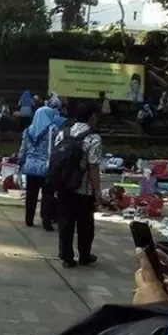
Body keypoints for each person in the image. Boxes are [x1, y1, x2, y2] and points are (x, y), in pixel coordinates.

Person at [55, 101, 102, 269]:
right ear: (92, 116)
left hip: (63, 186)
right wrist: (97, 192)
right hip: (83, 189)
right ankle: (84, 255)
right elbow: (93, 167)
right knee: (85, 225)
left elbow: (55, 159)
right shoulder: (93, 138)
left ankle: (66, 256)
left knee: (65, 222)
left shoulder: (63, 133)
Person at [18, 106, 58, 231]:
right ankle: (46, 221)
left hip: (30, 167)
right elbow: (55, 148)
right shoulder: (53, 129)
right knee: (47, 195)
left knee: (31, 194)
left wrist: (20, 161)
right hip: (46, 167)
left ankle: (29, 219)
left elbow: (23, 149)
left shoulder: (28, 130)